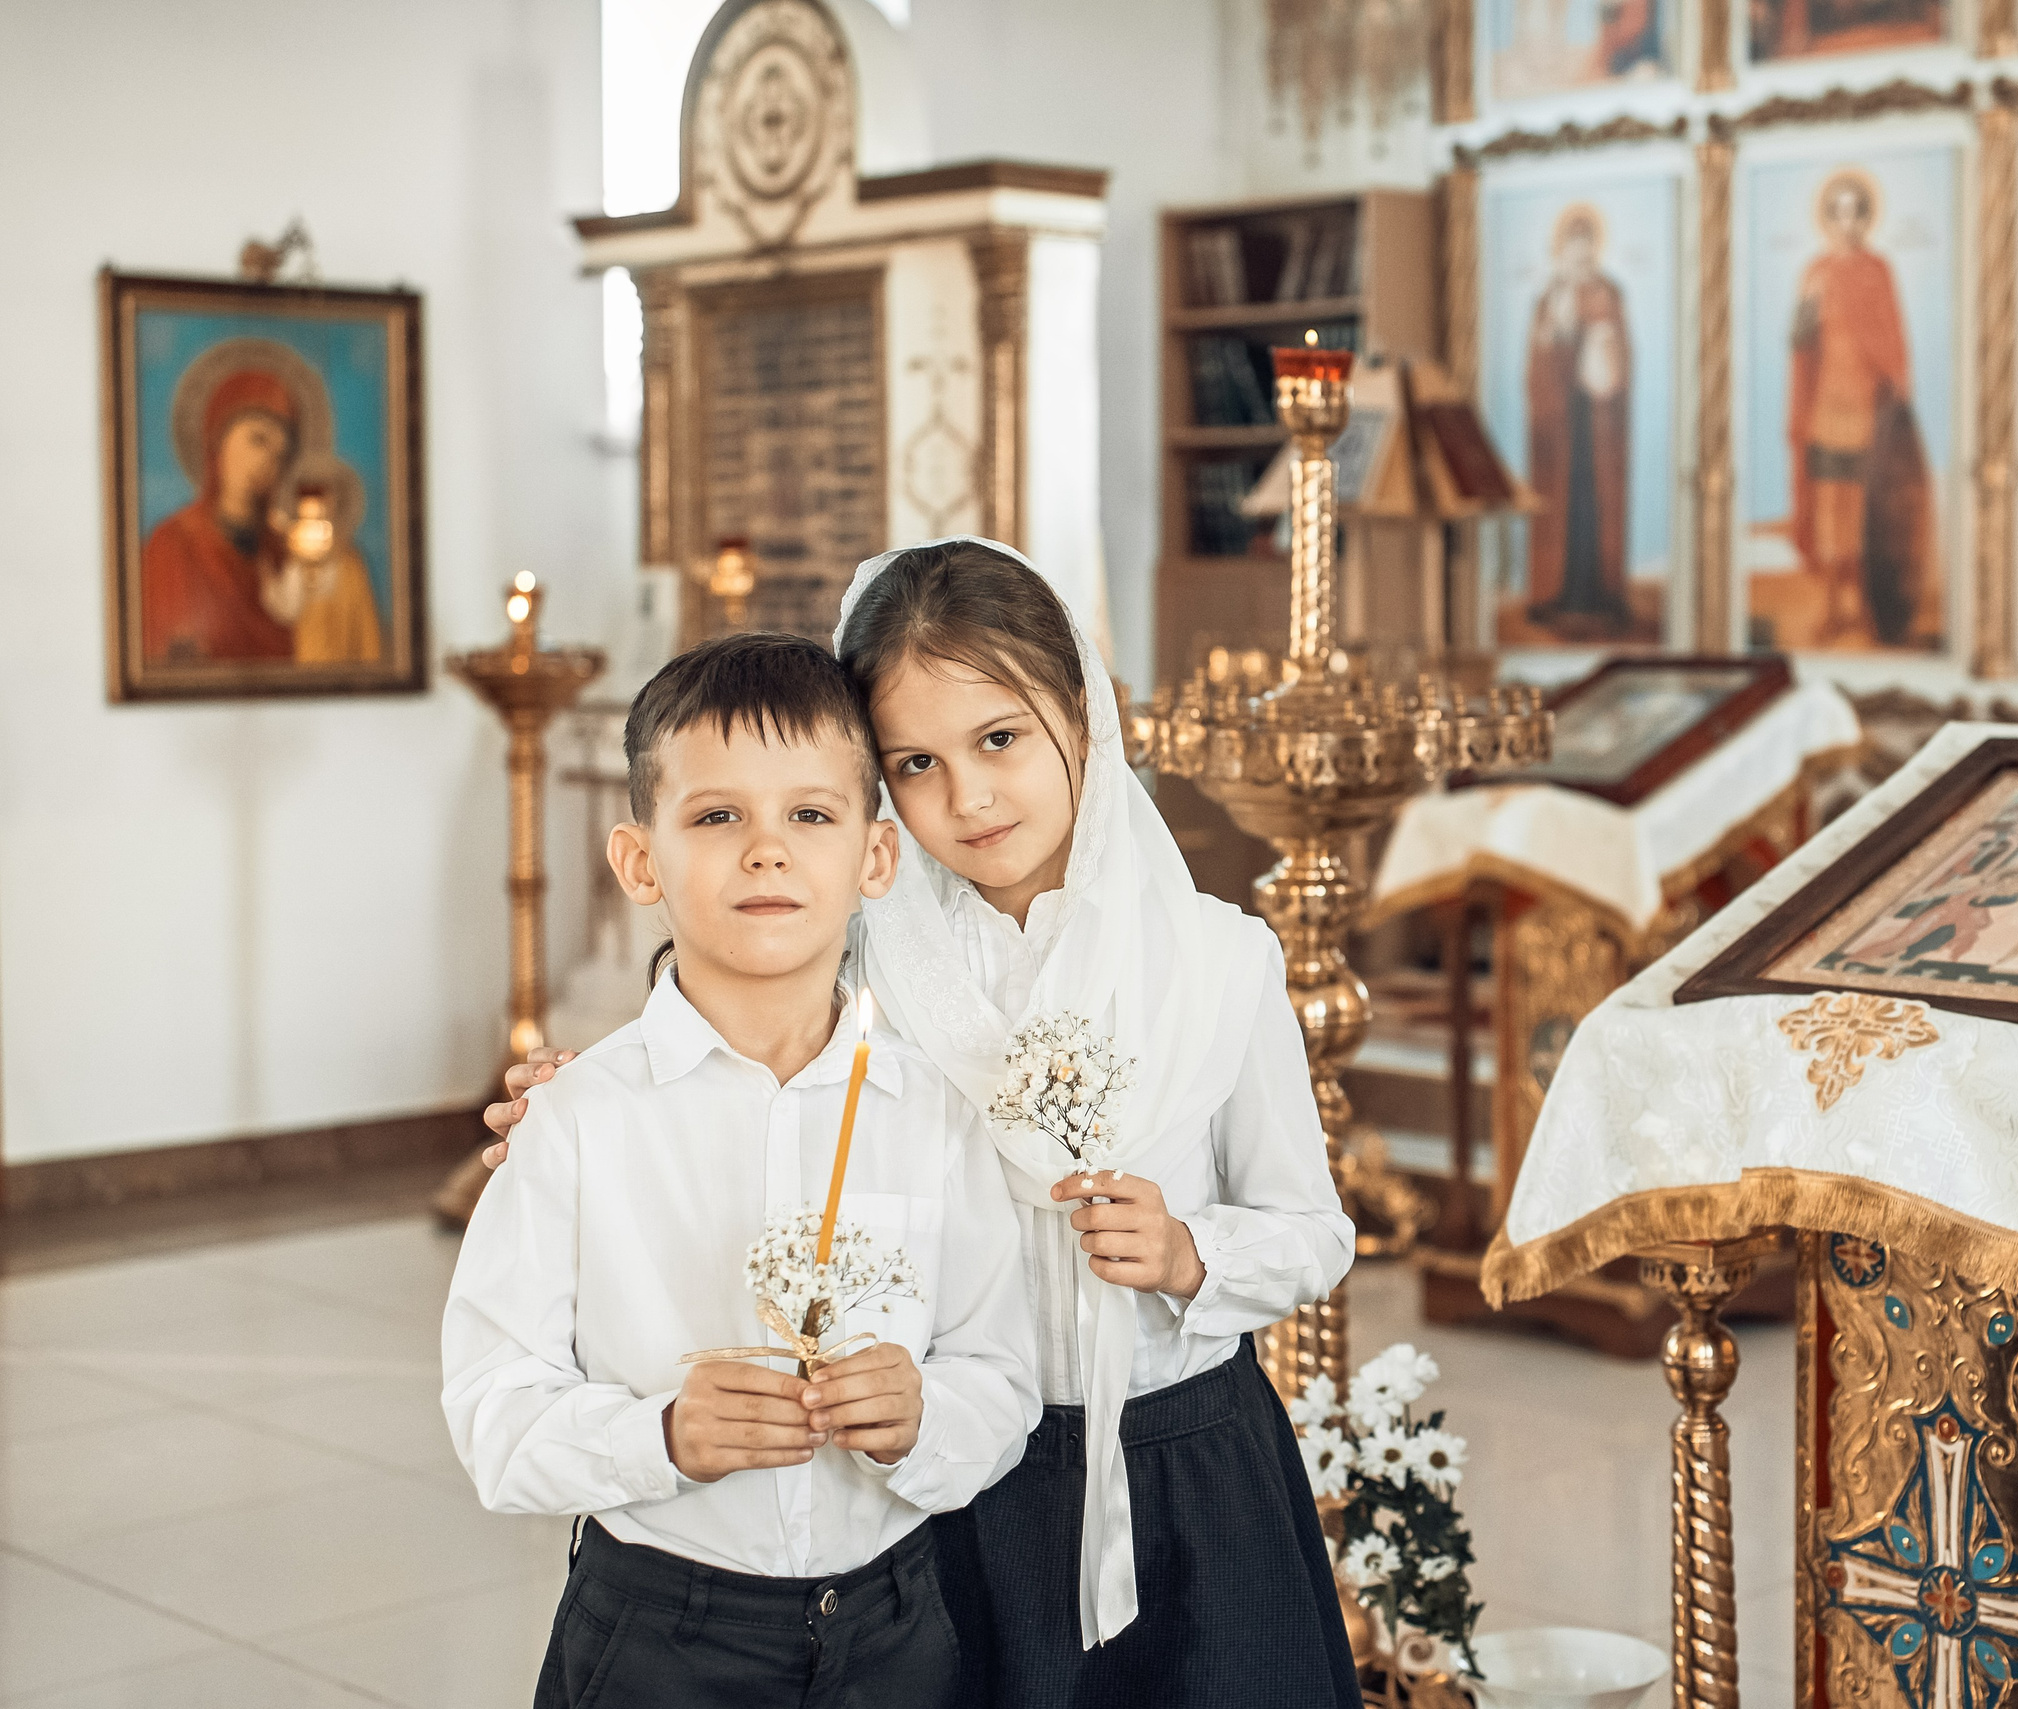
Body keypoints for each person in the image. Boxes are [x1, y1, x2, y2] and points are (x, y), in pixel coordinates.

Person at [485, 540, 1360, 1708]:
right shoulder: (871, 963)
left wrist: (1195, 1254)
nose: (970, 795)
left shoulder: (1218, 960)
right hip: (949, 1476)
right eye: (916, 761)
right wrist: (577, 1097)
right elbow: (733, 1012)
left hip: (1185, 1461)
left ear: (1083, 714)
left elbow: (1312, 1228)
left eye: (1000, 737)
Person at [444, 630, 1038, 1709]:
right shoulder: (575, 1118)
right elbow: (495, 1410)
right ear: (639, 860)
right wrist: (661, 1433)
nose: (766, 850)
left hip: (900, 1624)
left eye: (810, 814)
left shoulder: (939, 1113)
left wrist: (924, 1416)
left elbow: (1000, 1374)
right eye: (717, 816)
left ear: (874, 857)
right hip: (660, 1632)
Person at [1787, 169, 1932, 646]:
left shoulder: (1877, 271)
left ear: (1866, 218)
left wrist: (1899, 387)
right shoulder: (1816, 273)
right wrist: (1808, 308)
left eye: (1856, 213)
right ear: (1828, 219)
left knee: (1865, 514)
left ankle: (1864, 608)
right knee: (1831, 509)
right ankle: (1832, 607)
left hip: (1870, 411)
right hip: (1826, 409)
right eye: (1839, 213)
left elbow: (1893, 340)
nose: (1847, 223)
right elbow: (1798, 342)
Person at [1526, 203, 1636, 639]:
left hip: (1597, 425)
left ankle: (1599, 593)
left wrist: (1601, 347)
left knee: (1594, 507)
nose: (1579, 254)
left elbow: (1620, 356)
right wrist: (1553, 339)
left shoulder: (1607, 293)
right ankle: (1558, 591)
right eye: (1571, 246)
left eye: (1585, 245)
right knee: (1560, 508)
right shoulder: (1551, 295)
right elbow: (1536, 360)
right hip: (1560, 425)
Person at [139, 368, 300, 664]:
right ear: (218, 439)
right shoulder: (171, 544)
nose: (266, 461)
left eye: (280, 455)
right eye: (257, 440)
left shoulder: (282, 553)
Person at [265, 471, 384, 664]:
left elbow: (366, 628)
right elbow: (284, 610)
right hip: (303, 665)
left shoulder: (350, 564)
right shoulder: (292, 562)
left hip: (345, 666)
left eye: (320, 511)